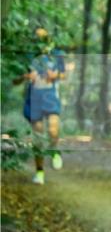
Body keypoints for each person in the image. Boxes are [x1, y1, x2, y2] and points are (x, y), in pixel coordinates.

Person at [14, 27, 66, 185]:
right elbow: (14, 80)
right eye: (37, 37)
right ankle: (40, 171)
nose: (40, 40)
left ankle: (55, 150)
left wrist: (55, 75)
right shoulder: (27, 56)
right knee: (38, 136)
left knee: (53, 129)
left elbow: (63, 74)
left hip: (50, 96)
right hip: (33, 99)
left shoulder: (57, 54)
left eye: (44, 37)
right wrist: (25, 77)